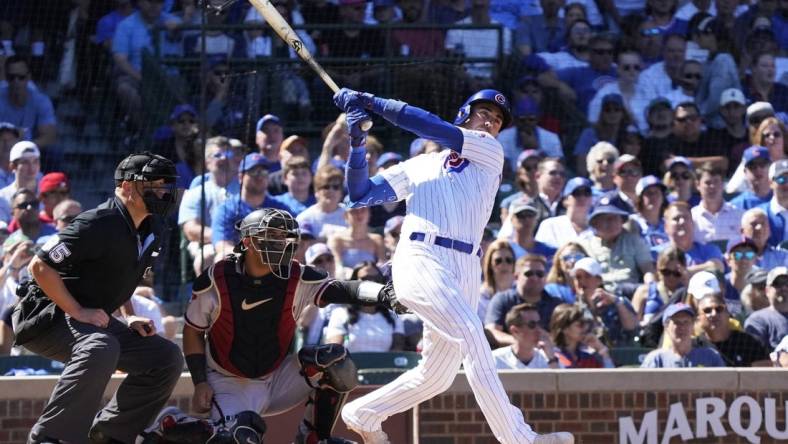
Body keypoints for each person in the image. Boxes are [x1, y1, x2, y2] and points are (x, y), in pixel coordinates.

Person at [333, 88, 573, 443]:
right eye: (483, 112)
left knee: (437, 374)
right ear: (465, 113)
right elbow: (361, 193)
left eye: (496, 119)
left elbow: (434, 128)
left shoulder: (489, 152)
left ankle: (364, 412)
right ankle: (520, 439)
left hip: (465, 266)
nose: (490, 121)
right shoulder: (420, 165)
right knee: (473, 334)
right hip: (420, 255)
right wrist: (357, 141)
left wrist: (374, 103)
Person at [154, 209, 405, 444]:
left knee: (335, 362)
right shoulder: (217, 279)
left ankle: (315, 437)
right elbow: (193, 331)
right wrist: (200, 382)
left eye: (285, 237)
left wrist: (384, 293)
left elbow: (342, 288)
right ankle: (174, 422)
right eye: (273, 237)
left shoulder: (298, 275)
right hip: (229, 381)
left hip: (278, 376)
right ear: (250, 241)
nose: (282, 244)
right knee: (240, 437)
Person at [10, 152, 184, 443]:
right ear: (127, 187)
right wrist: (77, 310)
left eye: (166, 186)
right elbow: (39, 266)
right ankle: (51, 438)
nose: (163, 193)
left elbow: (124, 276)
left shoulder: (154, 228)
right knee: (101, 347)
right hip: (46, 317)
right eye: (153, 185)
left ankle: (109, 434)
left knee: (166, 357)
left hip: (90, 319)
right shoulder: (97, 222)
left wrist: (128, 316)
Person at [211, 153, 292, 257]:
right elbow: (222, 245)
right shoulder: (226, 209)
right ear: (240, 177)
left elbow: (292, 241)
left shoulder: (280, 209)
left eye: (263, 172)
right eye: (253, 172)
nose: (259, 177)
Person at [325, 261, 405, 353]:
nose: (371, 283)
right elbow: (334, 350)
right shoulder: (340, 314)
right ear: (354, 283)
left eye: (376, 279)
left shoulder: (394, 316)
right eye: (365, 279)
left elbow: (397, 349)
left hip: (384, 366)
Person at [486, 254, 564, 346]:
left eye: (540, 274)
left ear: (545, 278)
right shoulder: (502, 299)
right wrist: (523, 342)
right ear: (516, 276)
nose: (535, 278)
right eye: (529, 274)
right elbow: (491, 332)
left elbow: (564, 338)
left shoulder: (556, 305)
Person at [570, 257, 638, 346]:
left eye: (587, 276)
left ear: (599, 280)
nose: (582, 281)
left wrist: (616, 302)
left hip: (619, 353)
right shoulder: (572, 308)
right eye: (578, 277)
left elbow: (631, 327)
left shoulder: (617, 301)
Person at [696, 293, 771, 367]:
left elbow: (763, 376)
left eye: (719, 309)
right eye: (707, 310)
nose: (714, 314)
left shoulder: (750, 343)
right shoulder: (694, 347)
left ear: (728, 314)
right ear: (698, 318)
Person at [641, 302, 726, 368]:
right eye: (677, 322)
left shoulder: (710, 356)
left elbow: (724, 387)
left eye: (686, 322)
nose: (682, 327)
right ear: (666, 326)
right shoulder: (656, 359)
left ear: (693, 325)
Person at [492, 303, 561, 369]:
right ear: (515, 331)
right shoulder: (495, 359)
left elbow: (561, 380)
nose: (539, 330)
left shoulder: (549, 358)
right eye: (532, 325)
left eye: (539, 324)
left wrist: (551, 359)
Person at [632, 246, 688, 323]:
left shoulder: (688, 294)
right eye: (666, 272)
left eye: (676, 273)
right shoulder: (644, 291)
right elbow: (633, 324)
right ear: (658, 269)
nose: (671, 277)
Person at [534, 177, 594, 249]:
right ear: (565, 200)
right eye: (577, 194)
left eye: (587, 193)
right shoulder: (550, 225)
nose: (582, 197)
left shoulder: (597, 227)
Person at [549, 303, 613, 369]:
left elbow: (610, 378)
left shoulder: (588, 357)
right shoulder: (552, 356)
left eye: (587, 324)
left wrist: (602, 349)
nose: (586, 328)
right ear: (564, 329)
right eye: (580, 325)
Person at [744, 266, 788, 350]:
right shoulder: (757, 320)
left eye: (787, 283)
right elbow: (757, 358)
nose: (784, 288)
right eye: (778, 284)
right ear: (767, 291)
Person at [479, 240, 516, 323]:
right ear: (490, 265)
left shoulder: (520, 290)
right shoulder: (481, 295)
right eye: (498, 261)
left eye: (508, 260)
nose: (504, 264)